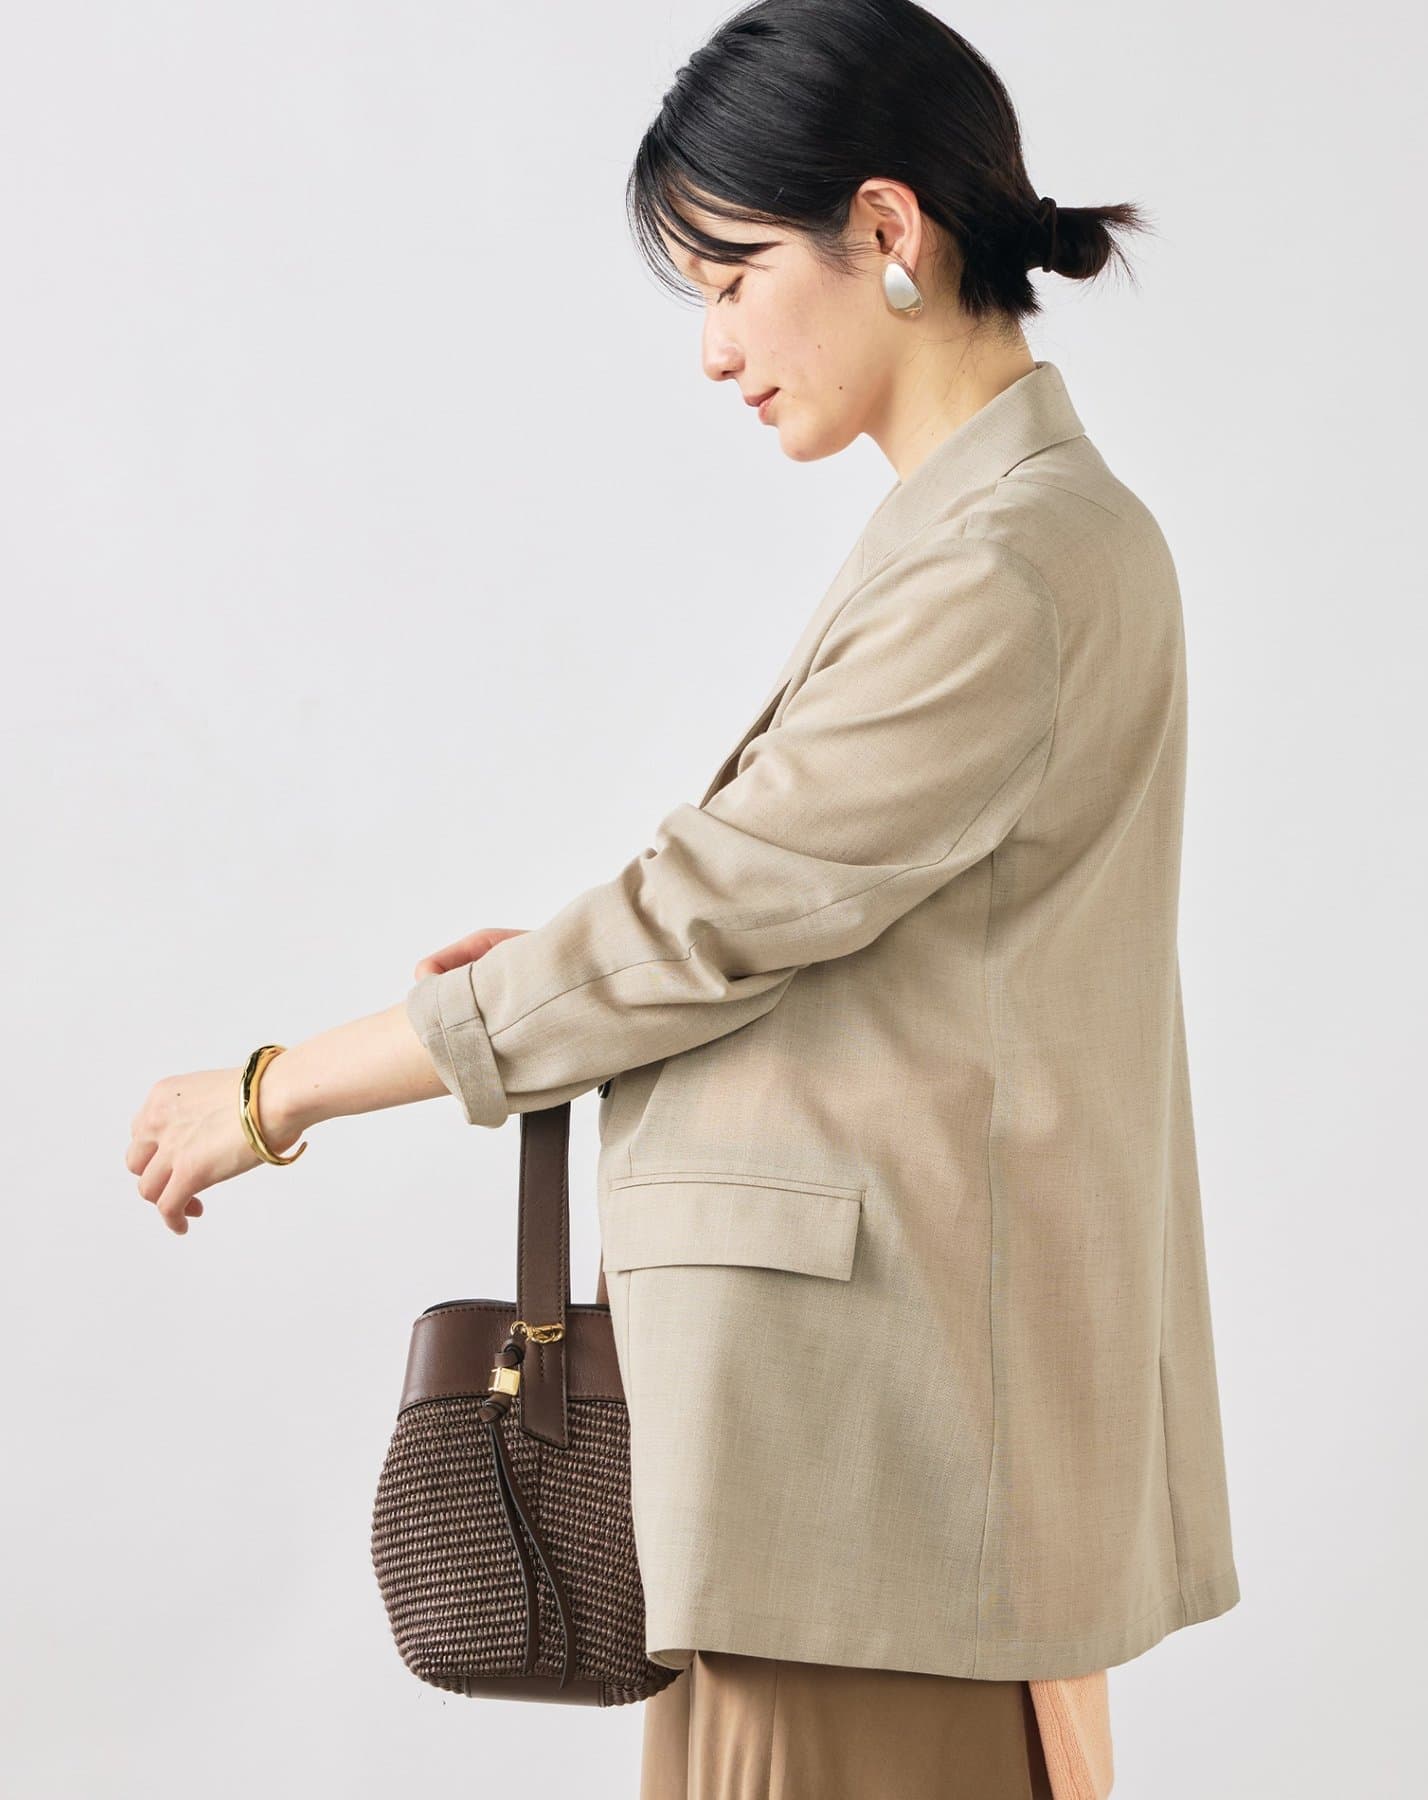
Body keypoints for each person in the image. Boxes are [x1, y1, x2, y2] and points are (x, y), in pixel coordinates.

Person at [125, 1, 1239, 1793]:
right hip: (848, 1481)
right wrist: (592, 977)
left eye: (731, 276)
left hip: (884, 1492)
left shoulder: (1009, 563)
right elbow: (842, 930)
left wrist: (280, 1092)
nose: (715, 348)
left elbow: (697, 923)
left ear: (886, 227)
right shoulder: (984, 534)